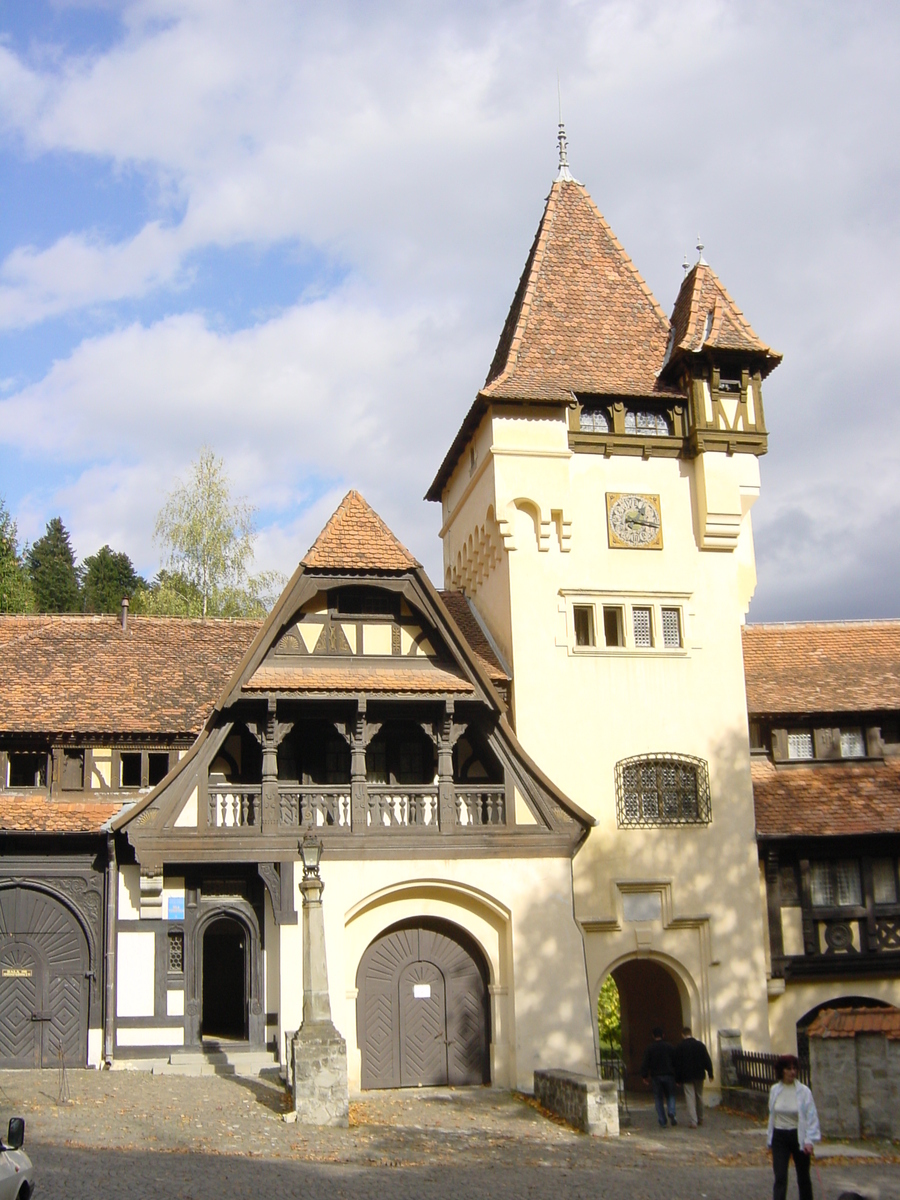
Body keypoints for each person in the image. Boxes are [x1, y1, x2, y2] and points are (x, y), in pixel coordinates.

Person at [767, 1054, 821, 1200]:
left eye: (794, 1068)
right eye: (788, 1069)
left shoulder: (804, 1092)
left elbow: (811, 1116)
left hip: (798, 1136)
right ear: (781, 1071)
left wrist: (810, 1140)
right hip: (779, 1137)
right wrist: (770, 1138)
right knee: (780, 1177)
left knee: (803, 1177)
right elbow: (772, 1115)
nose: (792, 1072)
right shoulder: (774, 1090)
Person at [673, 1025, 714, 1128]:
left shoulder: (680, 1047)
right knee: (699, 1096)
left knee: (690, 1097)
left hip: (686, 1076)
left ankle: (693, 1121)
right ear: (691, 1033)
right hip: (699, 1074)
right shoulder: (700, 1045)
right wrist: (710, 1073)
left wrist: (677, 1079)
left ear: (682, 1035)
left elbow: (677, 1064)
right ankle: (701, 1118)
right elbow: (707, 1060)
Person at [640, 1026, 677, 1127]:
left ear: (653, 1036)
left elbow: (645, 1063)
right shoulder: (669, 1047)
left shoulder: (649, 1048)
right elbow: (675, 1061)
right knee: (671, 1095)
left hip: (656, 1076)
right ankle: (672, 1112)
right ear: (663, 1035)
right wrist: (677, 1075)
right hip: (669, 1074)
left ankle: (662, 1120)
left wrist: (644, 1076)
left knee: (658, 1098)